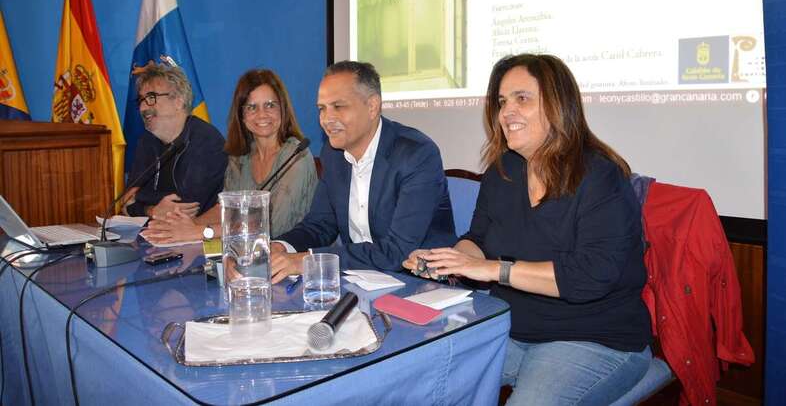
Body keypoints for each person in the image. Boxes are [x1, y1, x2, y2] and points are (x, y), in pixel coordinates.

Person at [405, 54, 652, 405]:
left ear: (558, 104)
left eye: (522, 99)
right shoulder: (502, 170)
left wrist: (493, 270)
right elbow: (478, 242)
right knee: (422, 381)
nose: (506, 112)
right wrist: (449, 260)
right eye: (502, 102)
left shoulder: (600, 176)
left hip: (596, 338)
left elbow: (591, 276)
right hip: (513, 329)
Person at [270, 61, 454, 281]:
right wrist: (280, 247)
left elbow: (396, 252)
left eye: (338, 106)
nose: (327, 119)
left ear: (372, 106)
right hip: (360, 283)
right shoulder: (334, 154)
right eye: (322, 108)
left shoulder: (417, 154)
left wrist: (306, 261)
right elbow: (319, 225)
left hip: (421, 284)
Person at [141, 69, 318, 243]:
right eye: (251, 107)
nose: (262, 114)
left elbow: (272, 226)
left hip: (293, 259)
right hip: (246, 255)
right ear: (242, 115)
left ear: (283, 109)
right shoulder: (241, 157)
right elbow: (225, 209)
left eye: (270, 105)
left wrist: (199, 231)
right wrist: (182, 227)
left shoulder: (297, 156)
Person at [124, 64, 227, 220]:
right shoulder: (147, 140)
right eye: (141, 100)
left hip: (200, 239)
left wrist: (139, 200)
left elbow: (187, 208)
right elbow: (125, 201)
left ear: (178, 101)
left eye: (151, 98)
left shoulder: (206, 141)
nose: (143, 107)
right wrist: (151, 211)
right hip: (156, 235)